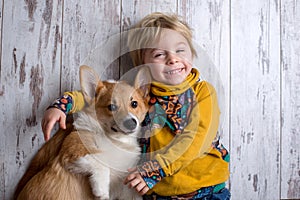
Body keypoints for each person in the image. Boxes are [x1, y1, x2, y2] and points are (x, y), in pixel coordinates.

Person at [42, 12, 230, 200]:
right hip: (157, 192)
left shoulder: (202, 91)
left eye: (180, 50)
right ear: (143, 65)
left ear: (192, 53)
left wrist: (155, 170)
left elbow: (197, 138)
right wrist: (62, 106)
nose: (172, 59)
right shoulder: (138, 93)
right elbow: (98, 97)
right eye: (159, 54)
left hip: (204, 187)